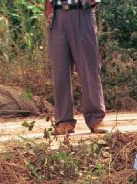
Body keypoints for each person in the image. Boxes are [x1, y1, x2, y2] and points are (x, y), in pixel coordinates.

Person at [44, 0, 107, 135]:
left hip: (82, 12)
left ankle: (95, 118)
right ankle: (64, 121)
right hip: (57, 14)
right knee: (60, 70)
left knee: (89, 69)